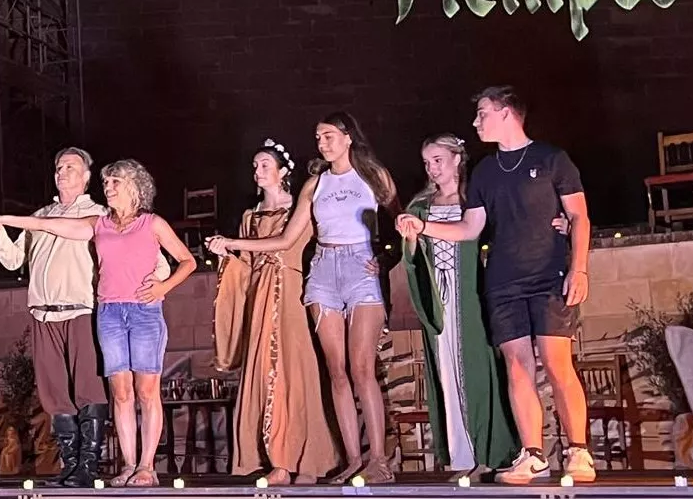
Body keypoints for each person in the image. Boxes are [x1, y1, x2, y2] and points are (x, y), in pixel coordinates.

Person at [397, 87, 595, 484]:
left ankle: (578, 450)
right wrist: (423, 226)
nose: (476, 122)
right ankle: (533, 454)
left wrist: (580, 268)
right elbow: (471, 228)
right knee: (517, 368)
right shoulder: (485, 172)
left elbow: (579, 217)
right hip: (503, 281)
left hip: (548, 276)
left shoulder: (552, 159)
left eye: (482, 113)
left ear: (506, 113)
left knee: (557, 364)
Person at [0, 159, 197, 488]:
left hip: (123, 310)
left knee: (141, 390)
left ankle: (141, 466)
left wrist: (162, 286)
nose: (108, 188)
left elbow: (179, 261)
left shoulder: (138, 221)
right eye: (107, 183)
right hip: (94, 312)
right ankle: (115, 464)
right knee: (117, 393)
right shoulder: (91, 222)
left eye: (115, 182)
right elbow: (43, 232)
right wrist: (1, 221)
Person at [206, 140, 338, 485]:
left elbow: (288, 245)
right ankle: (275, 458)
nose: (258, 171)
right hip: (261, 297)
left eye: (265, 164)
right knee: (265, 370)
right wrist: (227, 254)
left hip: (291, 293)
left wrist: (233, 243)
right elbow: (246, 267)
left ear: (283, 172)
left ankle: (305, 458)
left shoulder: (300, 207)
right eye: (255, 165)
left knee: (295, 370)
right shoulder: (250, 216)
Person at [395, 134, 520, 479]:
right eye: (427, 162)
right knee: (447, 374)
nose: (432, 168)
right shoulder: (421, 205)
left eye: (438, 160)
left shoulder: (473, 202)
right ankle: (462, 455)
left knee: (479, 372)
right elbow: (413, 254)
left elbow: (501, 233)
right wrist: (408, 236)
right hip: (440, 299)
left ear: (456, 160)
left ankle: (491, 453)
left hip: (471, 298)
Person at [300, 112, 396, 483]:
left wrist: (385, 258)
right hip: (324, 268)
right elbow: (295, 234)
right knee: (337, 371)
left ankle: (380, 460)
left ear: (347, 137)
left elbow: (399, 222)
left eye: (328, 136)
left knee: (361, 368)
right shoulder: (316, 183)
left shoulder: (372, 175)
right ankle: (353, 458)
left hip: (360, 266)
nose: (322, 144)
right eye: (318, 137)